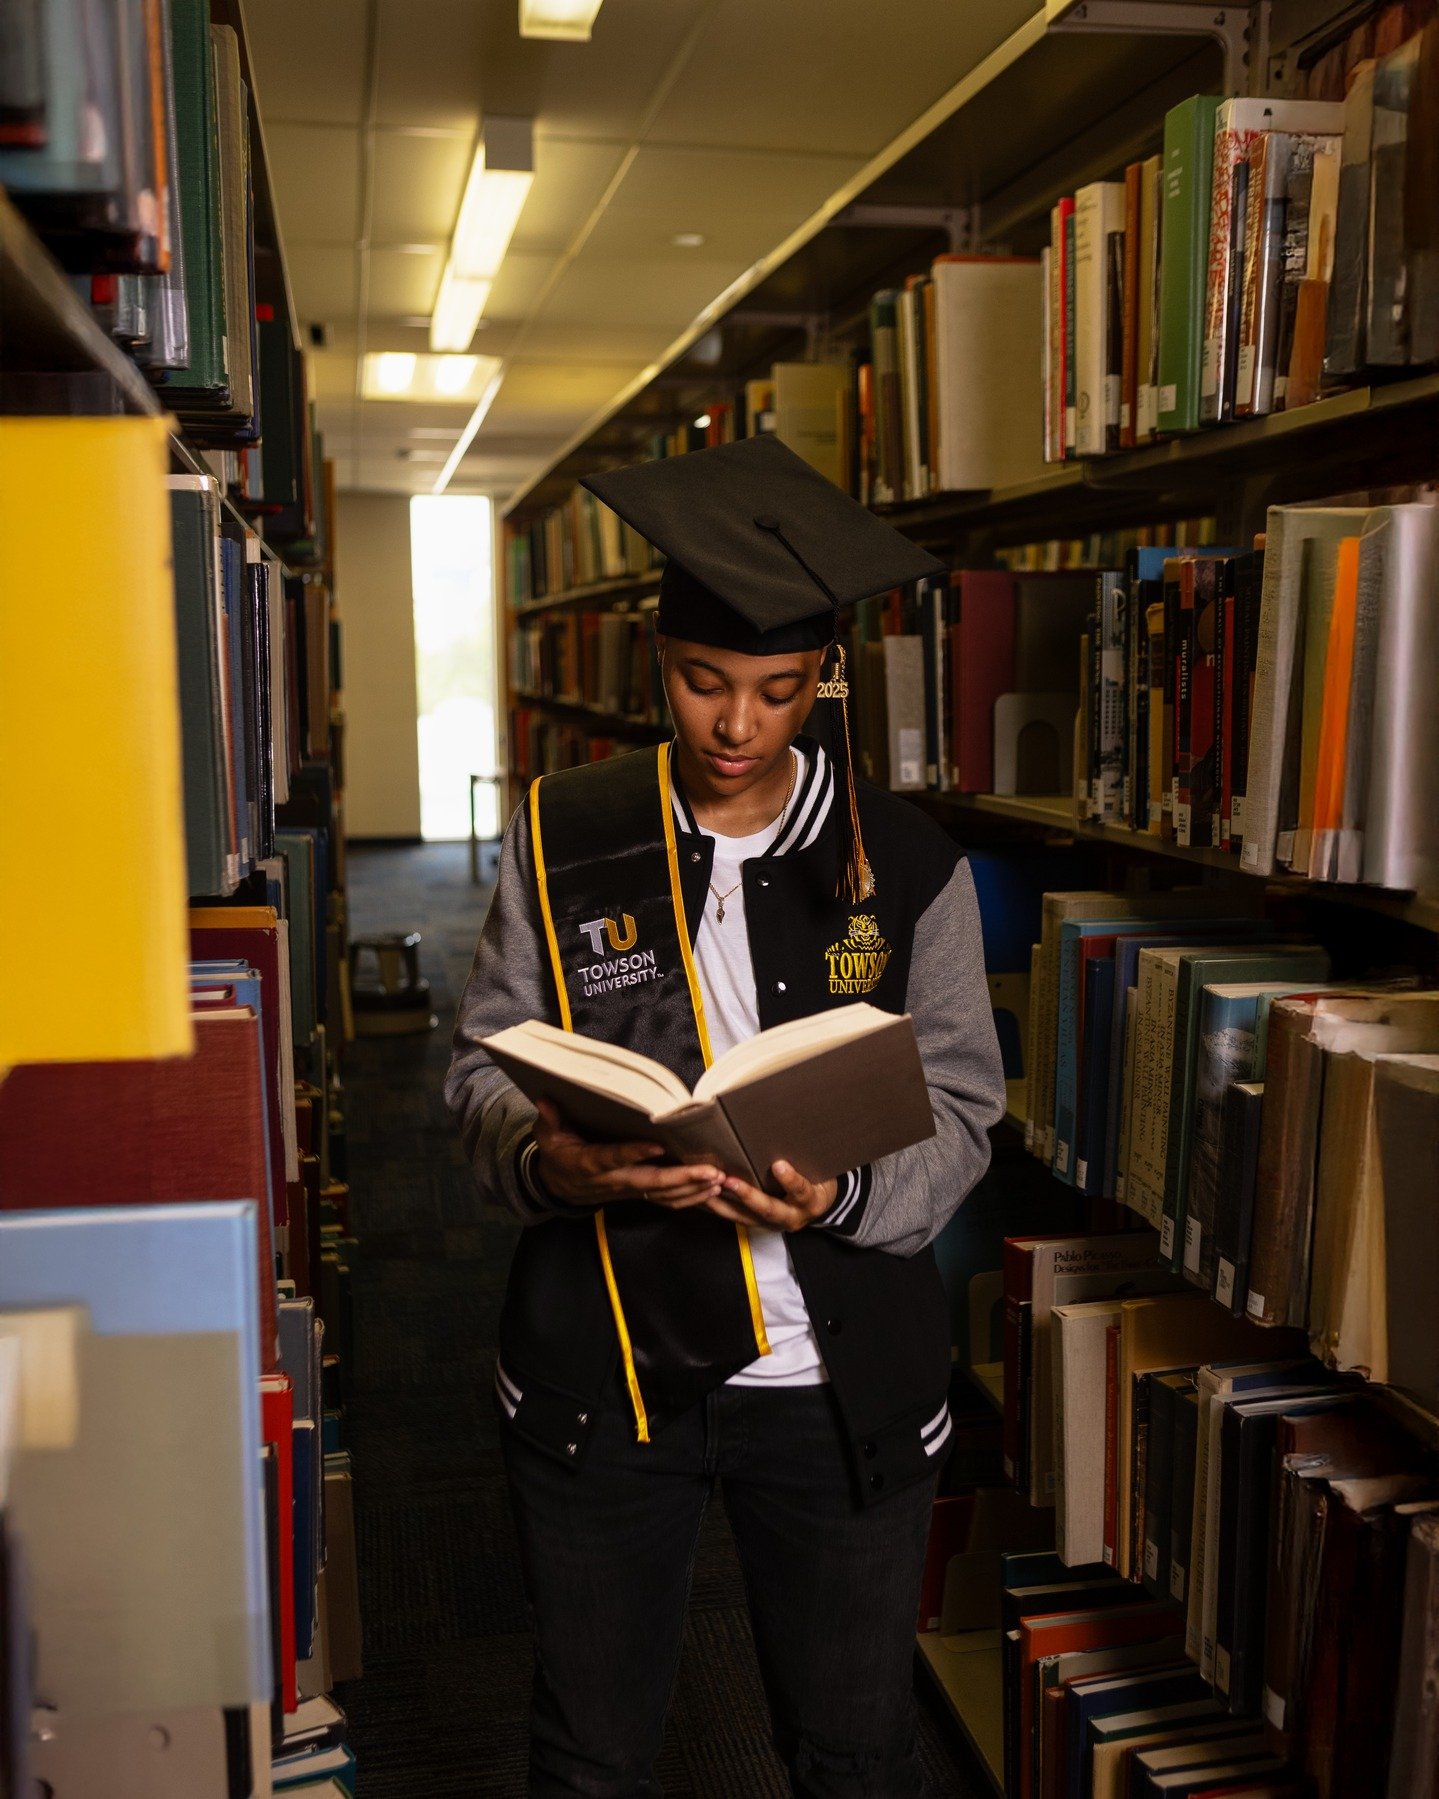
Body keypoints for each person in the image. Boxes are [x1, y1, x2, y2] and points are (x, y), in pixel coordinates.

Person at [446, 433, 1006, 1798]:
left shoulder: (911, 863)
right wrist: (555, 1157)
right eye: (704, 684)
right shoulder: (562, 832)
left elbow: (967, 1109)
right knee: (590, 1755)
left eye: (778, 690)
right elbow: (476, 1074)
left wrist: (848, 1198)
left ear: (826, 680)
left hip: (836, 1383)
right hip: (608, 1371)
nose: (739, 727)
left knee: (854, 1755)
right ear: (656, 663)